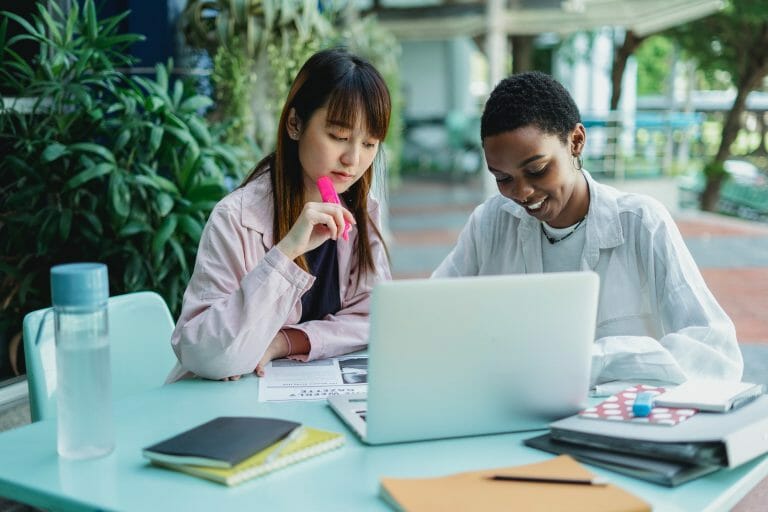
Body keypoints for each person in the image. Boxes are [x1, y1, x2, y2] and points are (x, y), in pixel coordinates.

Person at [433, 71, 743, 386]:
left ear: (576, 142)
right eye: (503, 178)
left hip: (619, 424)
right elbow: (431, 315)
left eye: (537, 170)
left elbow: (715, 350)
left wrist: (593, 360)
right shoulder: (491, 223)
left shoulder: (641, 223)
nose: (522, 192)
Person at [167, 48, 392, 382]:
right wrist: (286, 254)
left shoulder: (362, 211)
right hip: (224, 412)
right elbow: (206, 353)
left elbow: (377, 317)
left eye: (370, 143)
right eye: (339, 137)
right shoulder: (235, 217)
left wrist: (283, 342)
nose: (353, 159)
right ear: (294, 123)